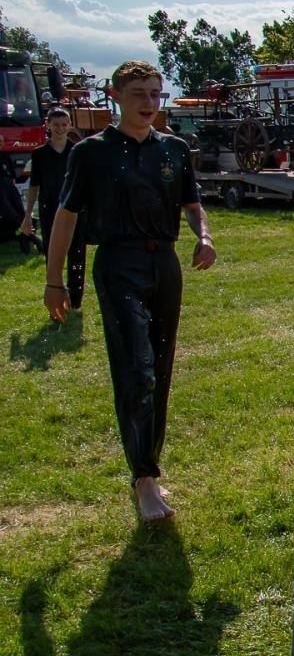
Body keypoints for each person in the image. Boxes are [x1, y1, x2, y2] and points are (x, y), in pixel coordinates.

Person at [44, 60, 216, 522]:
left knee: (159, 369)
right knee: (135, 370)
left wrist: (204, 235)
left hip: (165, 261)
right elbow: (65, 217)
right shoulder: (92, 153)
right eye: (138, 93)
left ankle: (149, 468)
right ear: (116, 96)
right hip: (118, 263)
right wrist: (55, 279)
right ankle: (143, 480)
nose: (148, 102)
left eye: (155, 93)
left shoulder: (174, 149)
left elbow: (193, 204)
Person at [23, 109, 84, 303]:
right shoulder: (40, 154)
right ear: (48, 125)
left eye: (64, 124)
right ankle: (56, 292)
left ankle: (75, 299)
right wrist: (27, 215)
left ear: (70, 125)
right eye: (56, 124)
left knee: (77, 252)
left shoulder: (77, 151)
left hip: (75, 208)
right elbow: (34, 185)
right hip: (49, 209)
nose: (60, 128)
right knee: (52, 252)